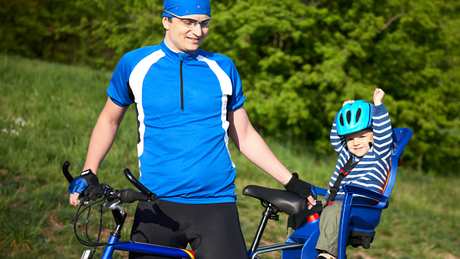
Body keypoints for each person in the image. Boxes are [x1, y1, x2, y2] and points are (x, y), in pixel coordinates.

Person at [67, 1, 315, 258]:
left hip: (215, 204)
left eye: (204, 23)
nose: (198, 31)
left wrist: (291, 181)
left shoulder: (223, 67)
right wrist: (89, 171)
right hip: (155, 203)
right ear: (166, 21)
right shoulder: (135, 64)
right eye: (189, 22)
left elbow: (245, 134)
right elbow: (109, 120)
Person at [316, 88, 393, 259]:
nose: (355, 143)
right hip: (337, 203)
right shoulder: (346, 154)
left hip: (361, 206)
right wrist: (342, 113)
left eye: (362, 136)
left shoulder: (379, 154)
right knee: (303, 208)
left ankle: (328, 255)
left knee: (333, 210)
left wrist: (378, 106)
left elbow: (384, 135)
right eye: (350, 139)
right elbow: (336, 137)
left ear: (373, 136)